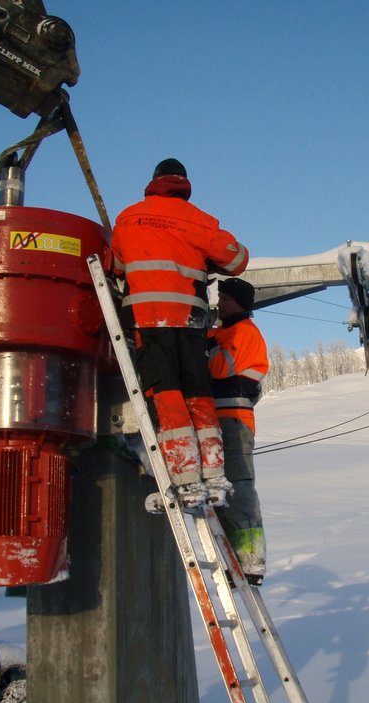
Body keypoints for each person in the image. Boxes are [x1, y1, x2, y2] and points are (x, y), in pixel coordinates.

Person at [109, 158, 249, 509]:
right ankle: (214, 473)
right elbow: (237, 261)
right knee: (198, 394)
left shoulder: (128, 218)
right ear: (184, 185)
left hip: (149, 320)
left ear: (153, 181)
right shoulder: (199, 220)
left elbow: (116, 266)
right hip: (190, 322)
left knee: (167, 395)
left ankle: (186, 478)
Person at [208, 278, 269, 585]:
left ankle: (250, 561)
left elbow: (220, 367)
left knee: (239, 490)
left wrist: (201, 346)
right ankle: (232, 559)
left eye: (225, 299)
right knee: (219, 492)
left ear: (240, 303)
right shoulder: (223, 332)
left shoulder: (244, 332)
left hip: (233, 420)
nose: (219, 303)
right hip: (216, 420)